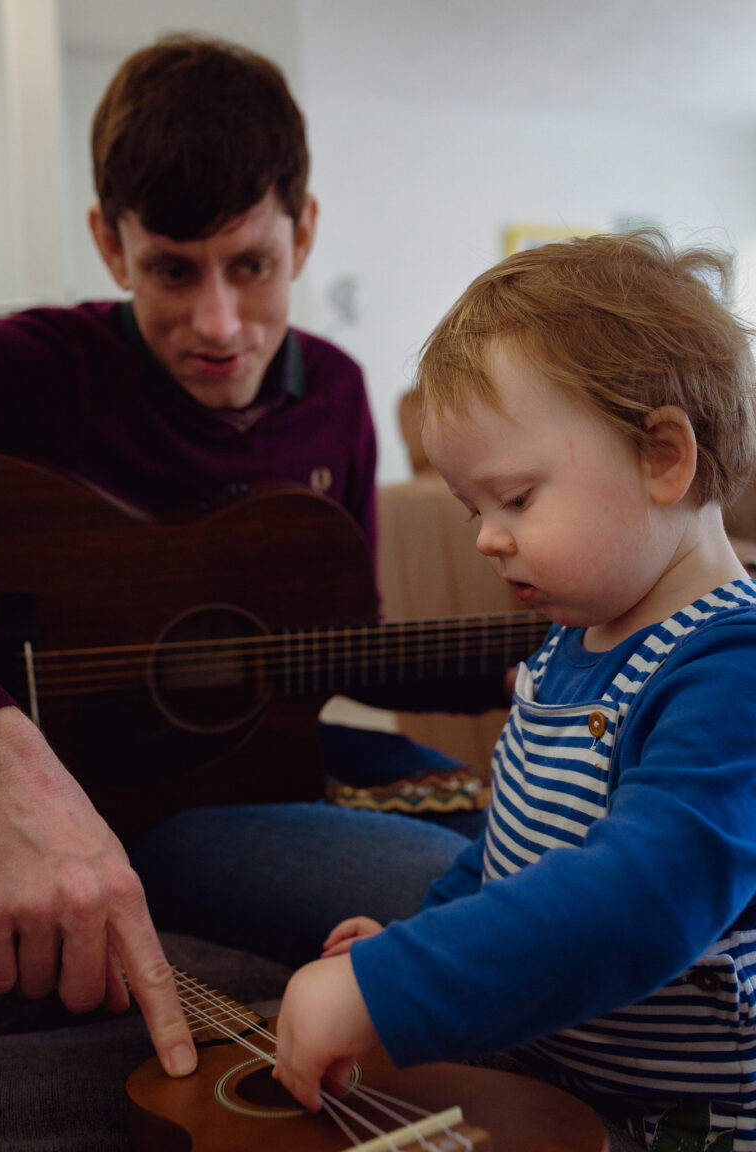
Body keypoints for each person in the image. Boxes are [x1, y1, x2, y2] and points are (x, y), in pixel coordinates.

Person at [0, 34, 493, 1082]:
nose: (219, 324)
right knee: (474, 904)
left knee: (541, 851)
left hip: (272, 774)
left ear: (304, 234)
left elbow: (336, 649)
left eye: (251, 266)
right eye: (174, 270)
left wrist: (561, 639)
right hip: (139, 815)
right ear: (110, 242)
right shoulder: (28, 373)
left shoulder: (340, 397)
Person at [273, 230, 756, 1152]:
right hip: (559, 1079)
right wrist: (412, 939)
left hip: (686, 1127)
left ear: (662, 456)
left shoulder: (732, 671)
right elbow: (506, 857)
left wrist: (396, 984)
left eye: (517, 498)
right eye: (473, 511)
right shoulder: (572, 642)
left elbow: (639, 900)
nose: (487, 539)